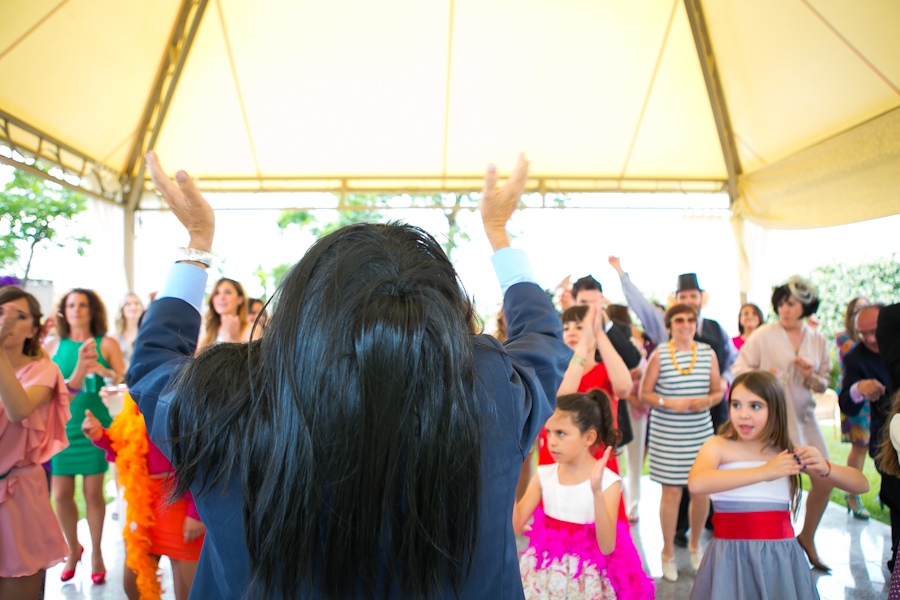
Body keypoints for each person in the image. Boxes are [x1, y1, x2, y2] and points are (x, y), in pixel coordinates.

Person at [127, 151, 569, 599]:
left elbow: (152, 363)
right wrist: (499, 234)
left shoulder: (223, 399)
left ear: (304, 304)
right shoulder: (491, 391)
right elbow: (545, 342)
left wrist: (196, 246)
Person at [688, 370, 868, 599]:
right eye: (736, 405)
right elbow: (697, 483)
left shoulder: (786, 453)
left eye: (755, 406)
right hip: (729, 559)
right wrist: (764, 471)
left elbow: (861, 485)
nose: (743, 414)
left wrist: (825, 467)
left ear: (774, 409)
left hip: (779, 561)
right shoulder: (718, 446)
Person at [732, 275, 832, 571]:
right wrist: (765, 378)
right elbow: (739, 368)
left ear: (805, 305)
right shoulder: (763, 334)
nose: (785, 309)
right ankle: (778, 549)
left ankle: (807, 536)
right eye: (781, 304)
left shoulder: (819, 339)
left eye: (791, 304)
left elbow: (823, 384)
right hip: (775, 420)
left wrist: (812, 374)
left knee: (825, 479)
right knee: (783, 486)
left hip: (806, 417)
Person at [514, 391, 654, 599]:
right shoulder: (544, 475)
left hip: (589, 575)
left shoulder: (608, 483)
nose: (551, 441)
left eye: (561, 433)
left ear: (588, 437)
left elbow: (607, 546)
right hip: (545, 572)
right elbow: (515, 525)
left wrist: (596, 492)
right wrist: (507, 482)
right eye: (549, 432)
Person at [82, 394, 205, 600]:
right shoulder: (135, 395)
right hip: (143, 501)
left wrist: (196, 512)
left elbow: (203, 456)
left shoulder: (183, 391)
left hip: (181, 501)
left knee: (190, 593)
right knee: (134, 586)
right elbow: (128, 449)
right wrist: (100, 436)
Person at [46, 288, 126, 584]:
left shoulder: (107, 343)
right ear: (64, 311)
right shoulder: (54, 343)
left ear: (92, 310)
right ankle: (72, 548)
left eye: (82, 305)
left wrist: (102, 370)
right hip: (63, 428)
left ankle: (96, 553)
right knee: (61, 495)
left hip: (94, 427)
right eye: (71, 305)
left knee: (94, 494)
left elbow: (120, 377)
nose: (76, 310)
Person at [640, 303, 723, 582]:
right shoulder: (660, 355)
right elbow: (645, 393)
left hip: (699, 432)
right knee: (672, 493)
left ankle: (696, 545)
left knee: (701, 492)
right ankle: (667, 552)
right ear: (670, 325)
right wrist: (668, 402)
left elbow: (718, 391)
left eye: (690, 319)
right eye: (679, 320)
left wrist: (707, 401)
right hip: (667, 434)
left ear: (696, 323)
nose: (685, 324)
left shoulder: (708, 354)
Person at [0, 287, 71, 598]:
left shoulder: (44, 370)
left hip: (19, 499)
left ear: (33, 328)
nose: (7, 322)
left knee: (19, 583)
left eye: (18, 316)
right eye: (2, 312)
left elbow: (18, 410)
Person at [838, 304, 886, 522]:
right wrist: (859, 389)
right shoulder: (855, 358)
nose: (870, 339)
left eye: (874, 331)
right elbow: (847, 403)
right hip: (887, 437)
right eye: (863, 333)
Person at [569, 275, 642, 370]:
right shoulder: (564, 329)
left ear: (601, 300)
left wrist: (607, 325)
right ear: (575, 302)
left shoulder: (620, 328)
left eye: (594, 302)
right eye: (584, 303)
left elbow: (632, 361)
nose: (589, 307)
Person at [197, 278, 251, 352]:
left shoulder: (251, 329)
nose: (221, 297)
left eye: (227, 292)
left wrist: (232, 339)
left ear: (240, 299)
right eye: (217, 293)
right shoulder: (207, 329)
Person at [115, 293, 145, 368]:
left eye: (137, 303)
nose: (133, 307)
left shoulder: (147, 333)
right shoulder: (115, 337)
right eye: (128, 304)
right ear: (122, 308)